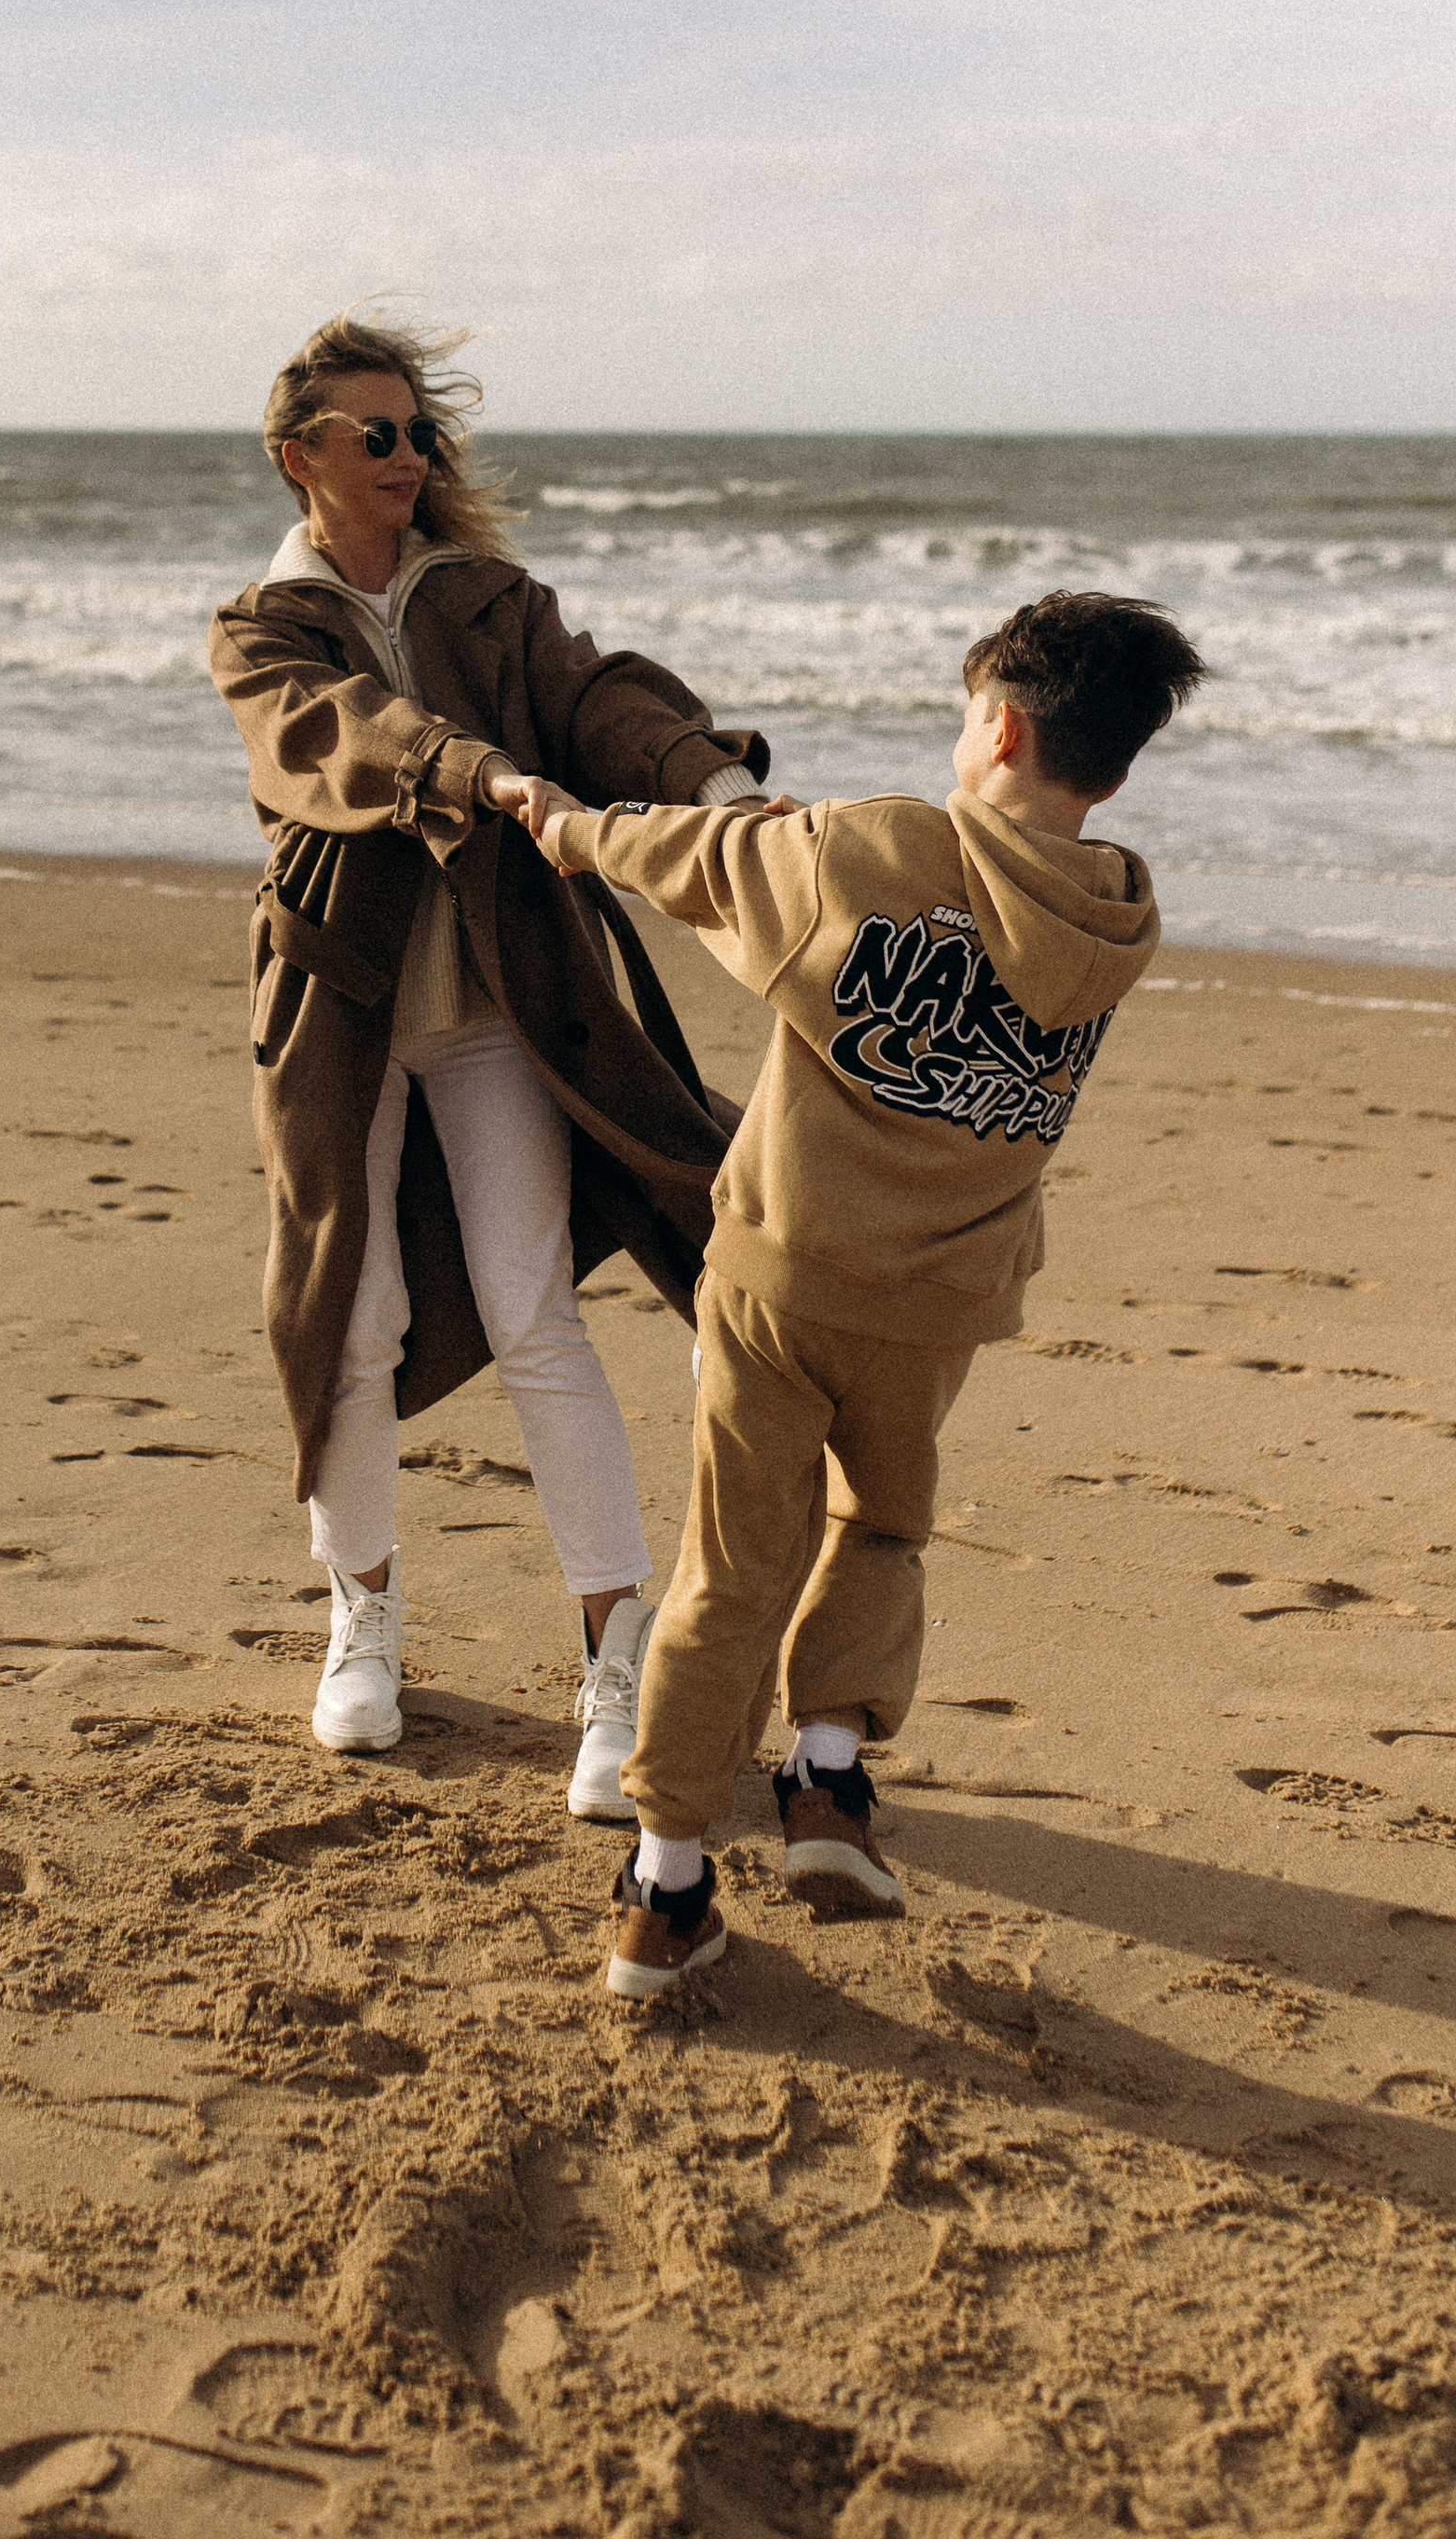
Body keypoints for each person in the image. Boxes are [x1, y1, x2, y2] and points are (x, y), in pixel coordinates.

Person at [509, 587, 1205, 1996]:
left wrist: (562, 824)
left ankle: (667, 1882)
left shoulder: (871, 850)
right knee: (881, 1526)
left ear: (997, 724)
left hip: (779, 1280)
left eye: (968, 716)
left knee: (731, 1568)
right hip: (938, 1306)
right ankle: (827, 1779)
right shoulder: (1116, 918)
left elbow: (688, 857)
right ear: (1116, 768)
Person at [209, 311, 773, 1819]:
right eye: (376, 435)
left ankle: (613, 1663)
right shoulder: (263, 628)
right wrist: (475, 769)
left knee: (537, 1317)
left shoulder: (495, 602)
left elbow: (601, 700)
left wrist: (712, 781)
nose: (407, 458)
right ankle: (364, 1622)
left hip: (500, 1005)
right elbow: (333, 738)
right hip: (342, 1018)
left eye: (420, 435)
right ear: (301, 457)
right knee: (350, 1319)